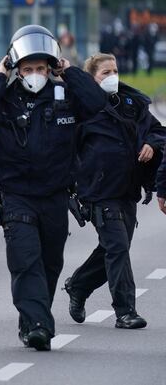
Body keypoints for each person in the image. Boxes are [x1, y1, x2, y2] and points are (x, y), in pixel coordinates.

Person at [0, 24, 106, 351]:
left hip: (56, 195)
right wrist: (0, 77)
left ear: (51, 67)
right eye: (27, 69)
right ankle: (40, 324)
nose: (34, 74)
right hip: (17, 196)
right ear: (16, 68)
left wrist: (69, 71)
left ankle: (31, 319)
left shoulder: (65, 95)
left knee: (49, 264)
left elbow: (97, 103)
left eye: (40, 68)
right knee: (26, 261)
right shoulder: (5, 98)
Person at [63, 53, 165, 329]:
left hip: (127, 188)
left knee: (115, 247)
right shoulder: (81, 108)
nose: (112, 77)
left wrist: (152, 145)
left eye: (115, 71)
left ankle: (79, 285)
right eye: (105, 73)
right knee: (117, 247)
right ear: (92, 78)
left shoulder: (131, 102)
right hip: (98, 189)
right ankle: (125, 311)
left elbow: (157, 131)